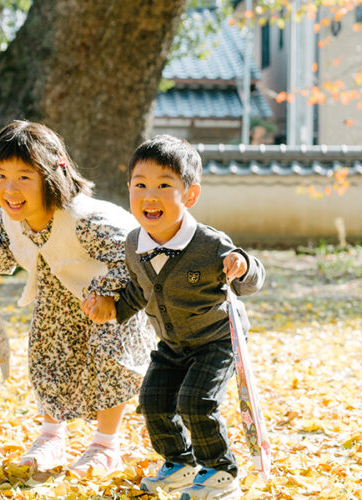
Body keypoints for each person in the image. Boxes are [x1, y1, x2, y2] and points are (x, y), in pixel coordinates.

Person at [0, 120, 154, 477]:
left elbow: (134, 255)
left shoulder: (84, 220)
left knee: (108, 366)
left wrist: (105, 295)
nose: (10, 188)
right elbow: (10, 244)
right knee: (48, 361)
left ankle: (105, 444)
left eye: (24, 177)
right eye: (0, 175)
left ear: (52, 176)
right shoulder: (13, 217)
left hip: (110, 306)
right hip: (56, 304)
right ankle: (52, 436)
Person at [83, 135, 265, 499]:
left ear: (190, 195)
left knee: (196, 402)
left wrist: (243, 266)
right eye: (140, 185)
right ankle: (180, 463)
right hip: (171, 343)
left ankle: (220, 471)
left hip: (217, 341)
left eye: (164, 185)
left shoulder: (210, 244)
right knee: (153, 401)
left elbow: (251, 281)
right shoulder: (135, 243)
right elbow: (140, 290)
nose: (150, 195)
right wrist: (113, 308)